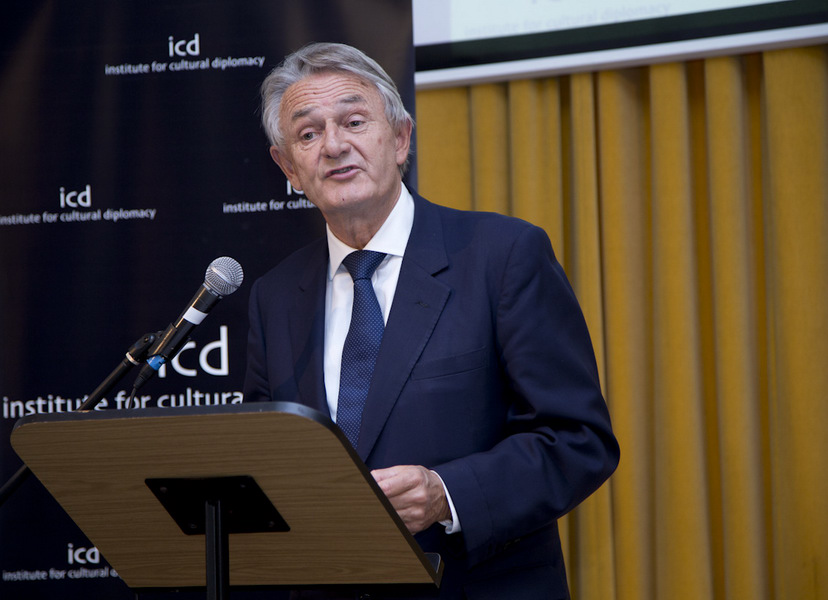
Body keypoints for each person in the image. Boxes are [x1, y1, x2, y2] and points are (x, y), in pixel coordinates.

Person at [243, 42, 619, 599]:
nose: (334, 145)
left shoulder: (502, 255)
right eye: (308, 133)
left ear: (400, 139)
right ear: (288, 168)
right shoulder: (274, 296)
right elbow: (265, 458)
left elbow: (578, 439)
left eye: (354, 121)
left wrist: (448, 493)